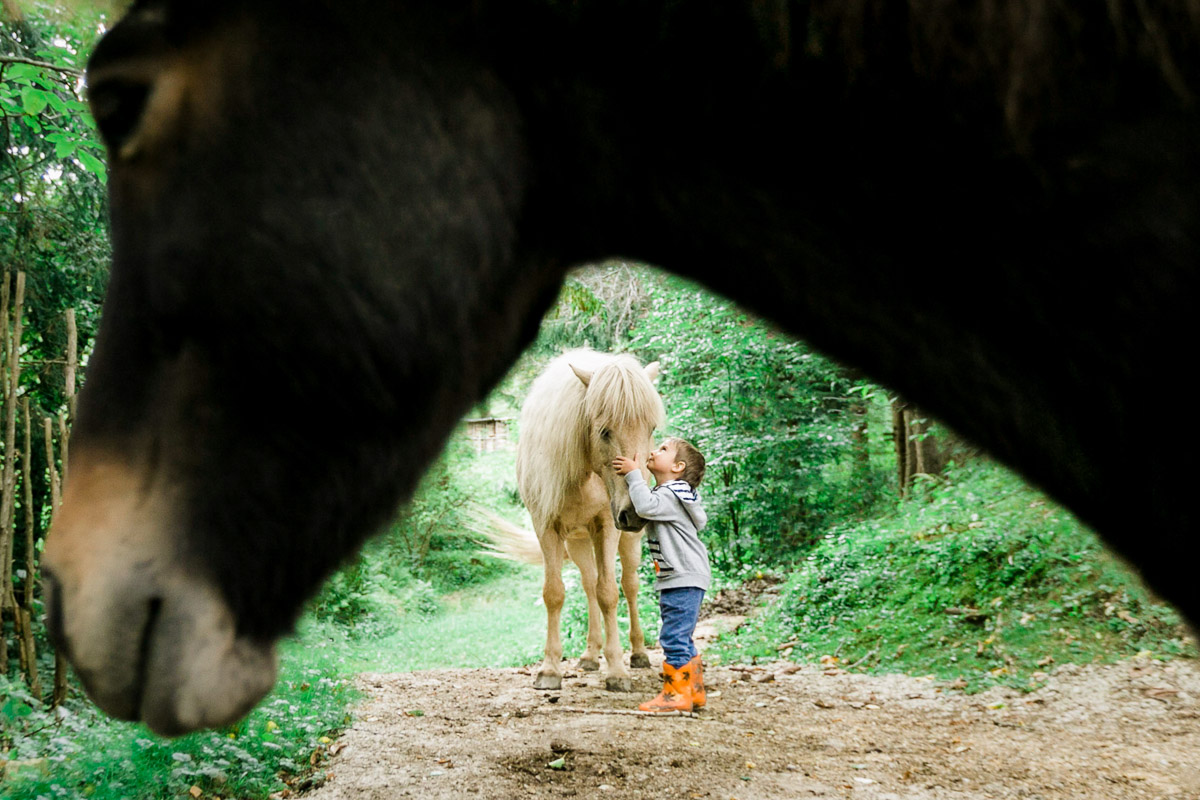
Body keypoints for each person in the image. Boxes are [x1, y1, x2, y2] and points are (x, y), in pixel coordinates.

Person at [612, 438, 710, 713]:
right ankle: (694, 691)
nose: (654, 451)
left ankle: (676, 695)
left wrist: (633, 474)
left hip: (683, 575)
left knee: (673, 637)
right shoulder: (676, 493)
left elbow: (645, 506)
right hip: (685, 575)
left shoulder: (671, 494)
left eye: (663, 450)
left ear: (677, 467)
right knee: (682, 636)